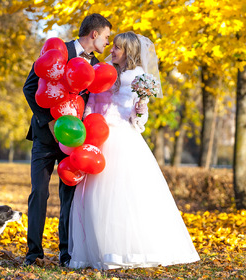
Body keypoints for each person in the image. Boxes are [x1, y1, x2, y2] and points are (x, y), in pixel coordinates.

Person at [68, 31, 200, 270]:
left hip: (123, 137)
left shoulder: (138, 76)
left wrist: (141, 106)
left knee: (125, 195)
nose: (112, 50)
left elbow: (138, 119)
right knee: (96, 197)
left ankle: (124, 251)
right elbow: (93, 103)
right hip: (99, 136)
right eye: (113, 46)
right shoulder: (103, 70)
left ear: (128, 51)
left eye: (117, 48)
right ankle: (99, 250)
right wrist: (87, 126)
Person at [23, 13, 112, 267]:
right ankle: (34, 254)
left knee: (69, 198)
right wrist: (49, 123)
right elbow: (29, 88)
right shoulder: (56, 51)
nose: (107, 42)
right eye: (106, 37)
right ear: (94, 34)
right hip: (44, 135)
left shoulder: (96, 67)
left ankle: (66, 253)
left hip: (73, 141)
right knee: (39, 193)